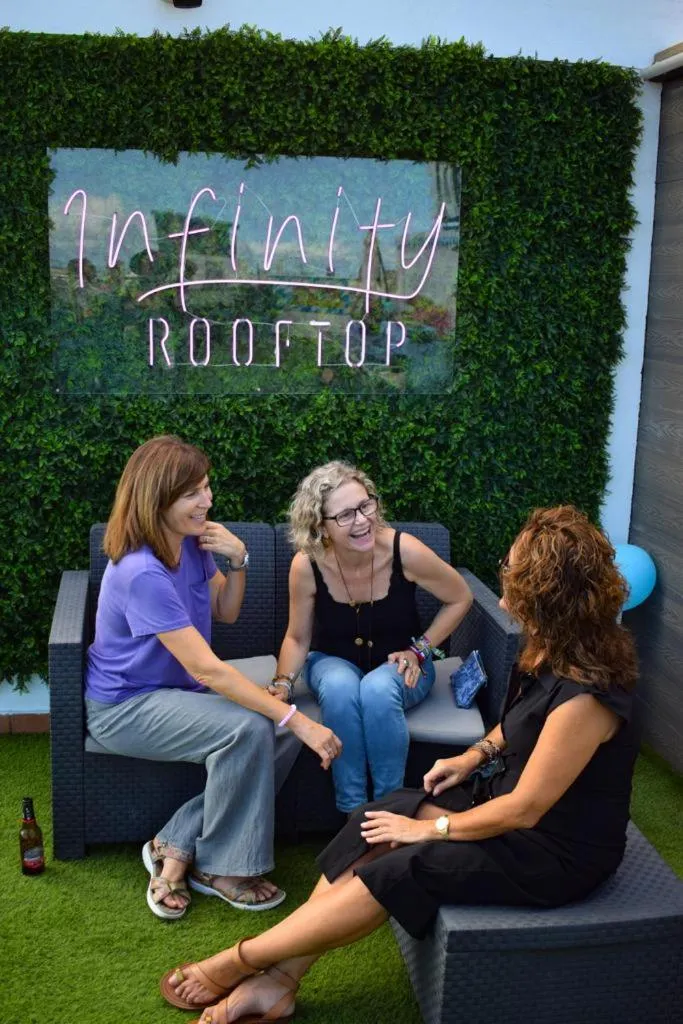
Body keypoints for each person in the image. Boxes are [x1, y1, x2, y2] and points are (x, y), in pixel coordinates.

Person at [159, 504, 639, 1023]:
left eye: (514, 575)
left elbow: (526, 809)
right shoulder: (554, 650)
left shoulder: (589, 694)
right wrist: (475, 754)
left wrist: (431, 830)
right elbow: (523, 724)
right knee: (377, 818)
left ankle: (241, 961)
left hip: (552, 852)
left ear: (548, 598)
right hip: (502, 803)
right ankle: (280, 981)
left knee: (405, 859)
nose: (503, 586)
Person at [84, 436, 341, 920]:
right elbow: (207, 667)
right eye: (192, 494)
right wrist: (299, 721)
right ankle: (223, 867)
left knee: (280, 732)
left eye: (206, 487)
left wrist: (238, 559)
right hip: (126, 707)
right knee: (256, 727)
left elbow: (225, 612)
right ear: (156, 500)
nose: (207, 501)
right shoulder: (142, 571)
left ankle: (175, 842)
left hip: (180, 691)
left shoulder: (189, 543)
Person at [268, 460, 473, 813]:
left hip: (405, 665)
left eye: (365, 505)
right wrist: (284, 684)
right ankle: (353, 814)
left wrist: (420, 650)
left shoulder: (403, 549)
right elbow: (298, 638)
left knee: (377, 690)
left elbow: (460, 597)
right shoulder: (307, 564)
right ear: (321, 526)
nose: (362, 521)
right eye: (345, 515)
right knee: (339, 687)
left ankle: (389, 808)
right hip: (333, 660)